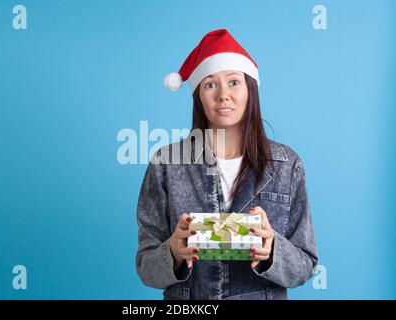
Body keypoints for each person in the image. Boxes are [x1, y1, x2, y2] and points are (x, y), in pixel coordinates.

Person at [136, 29, 318, 300]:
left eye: (234, 82)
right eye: (210, 84)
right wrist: (173, 251)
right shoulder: (166, 164)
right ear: (198, 95)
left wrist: (272, 250)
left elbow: (306, 266)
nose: (223, 95)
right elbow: (146, 268)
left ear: (250, 90)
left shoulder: (287, 165)